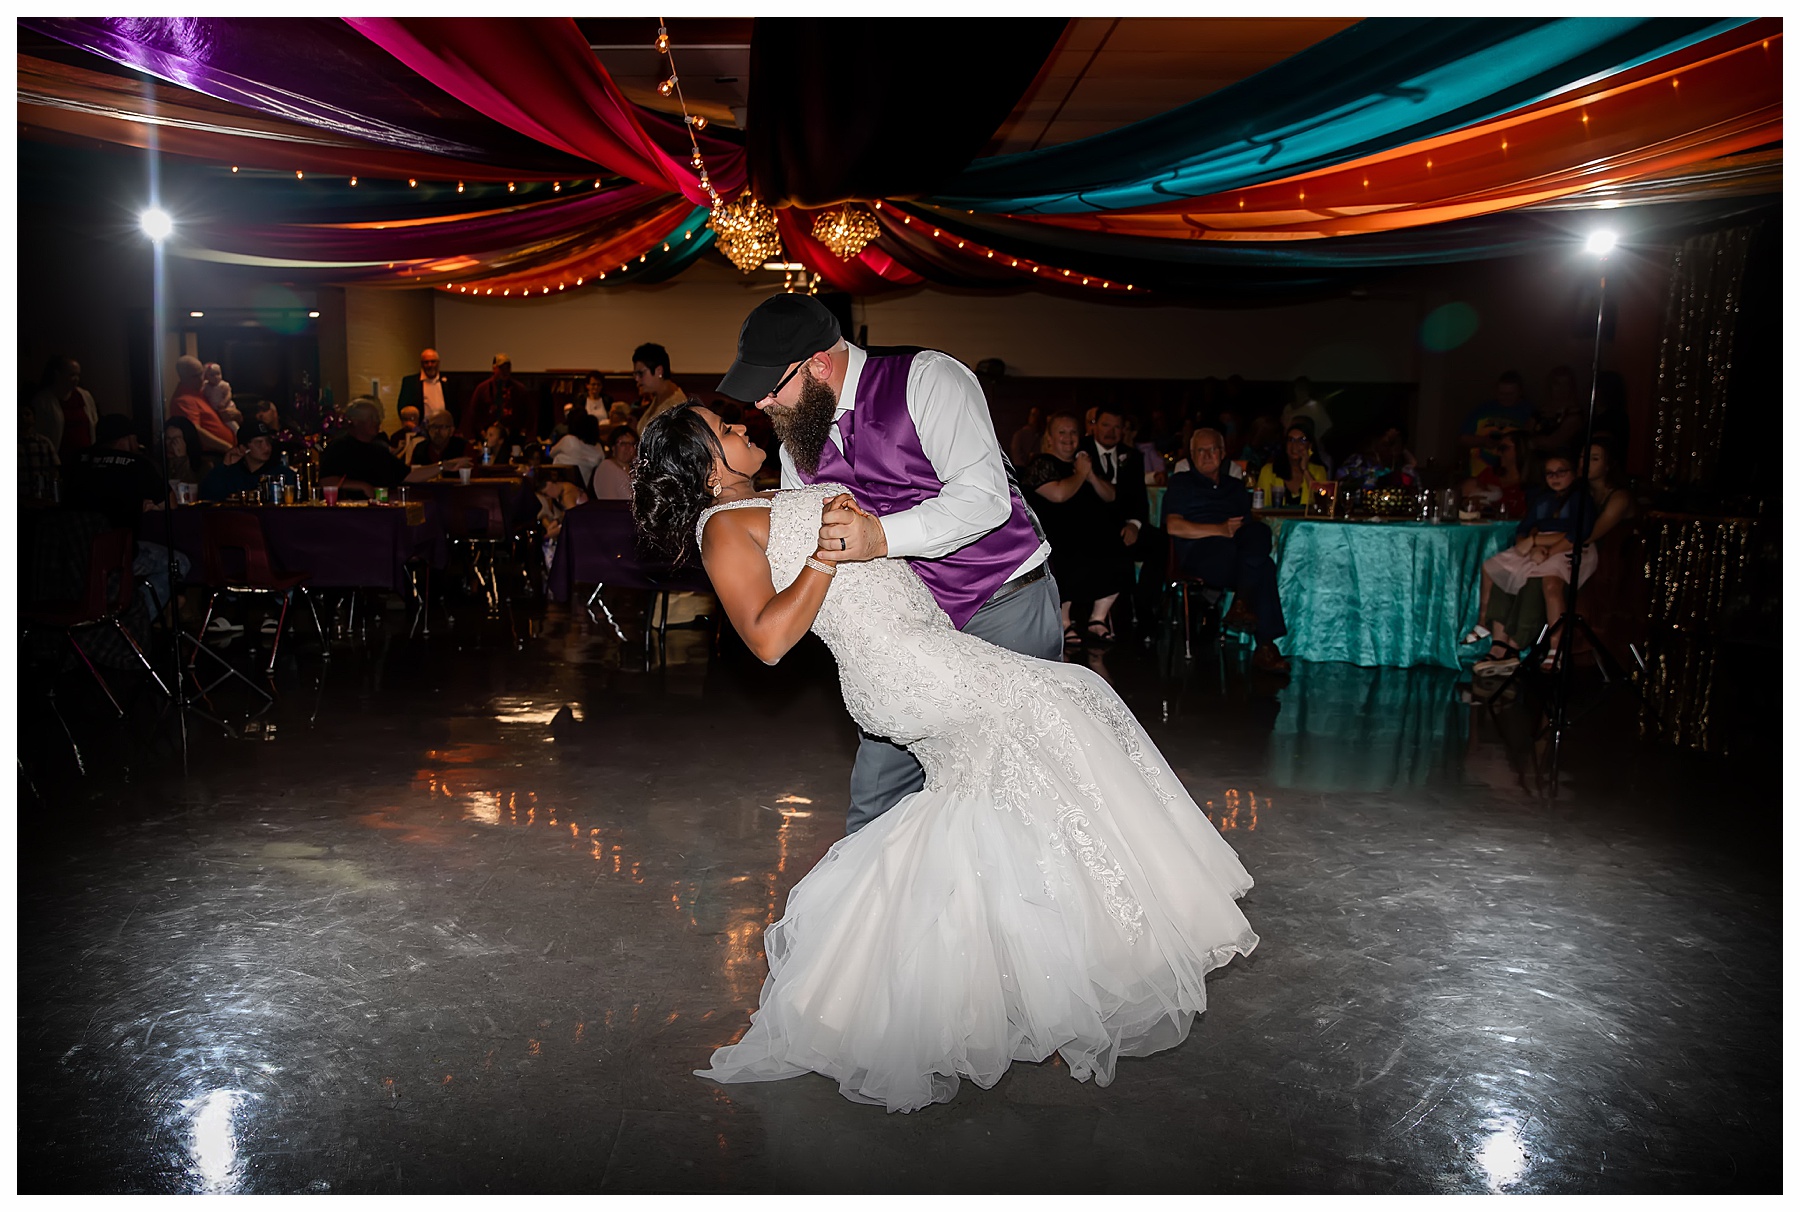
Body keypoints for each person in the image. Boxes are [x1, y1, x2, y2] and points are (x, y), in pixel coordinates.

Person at [633, 402, 1258, 1113]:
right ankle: (1085, 971)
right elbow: (770, 640)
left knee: (992, 802)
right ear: (705, 466)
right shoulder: (722, 530)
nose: (744, 430)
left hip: (929, 648)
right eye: (727, 432)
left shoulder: (771, 494)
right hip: (904, 670)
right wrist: (821, 557)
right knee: (1071, 703)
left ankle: (928, 989)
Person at [721, 293, 1062, 836]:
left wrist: (879, 535)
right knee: (876, 800)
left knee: (1014, 789)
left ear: (819, 365)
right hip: (905, 636)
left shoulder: (928, 379)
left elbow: (984, 499)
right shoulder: (794, 443)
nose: (761, 405)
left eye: (770, 388)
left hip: (1003, 603)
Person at [1470, 441, 1634, 674]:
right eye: (1582, 458)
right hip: (1548, 547)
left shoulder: (1601, 498)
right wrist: (1531, 540)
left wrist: (1539, 543)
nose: (1585, 464)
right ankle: (1498, 642)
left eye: (1595, 459)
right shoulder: (1549, 497)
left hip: (1574, 553)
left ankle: (1523, 645)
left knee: (1542, 582)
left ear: (1609, 464)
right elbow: (1527, 526)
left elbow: (1583, 535)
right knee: (1504, 572)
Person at [1163, 428, 1291, 673]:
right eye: (1201, 450)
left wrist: (1235, 532)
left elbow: (1244, 528)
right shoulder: (1182, 482)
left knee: (1260, 533)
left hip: (1235, 552)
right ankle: (1265, 645)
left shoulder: (1234, 486)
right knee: (1264, 566)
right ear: (1191, 454)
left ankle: (1243, 603)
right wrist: (1219, 529)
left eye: (1213, 449)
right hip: (1200, 551)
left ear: (1222, 454)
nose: (1207, 455)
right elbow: (1173, 525)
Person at [1024, 414, 1133, 648]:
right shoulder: (1041, 464)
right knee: (1072, 556)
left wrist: (1090, 474)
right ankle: (1064, 622)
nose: (1068, 438)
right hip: (1054, 535)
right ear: (1050, 437)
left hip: (1087, 533)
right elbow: (1059, 494)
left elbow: (1110, 495)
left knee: (1119, 555)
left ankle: (1098, 618)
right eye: (1062, 432)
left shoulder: (1084, 463)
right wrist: (1081, 474)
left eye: (1073, 432)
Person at [66, 414, 189, 617]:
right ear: (127, 439)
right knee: (179, 563)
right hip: (117, 555)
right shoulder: (137, 463)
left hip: (71, 556)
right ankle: (136, 621)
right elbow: (171, 504)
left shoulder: (77, 461)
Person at [1082, 404, 1162, 633]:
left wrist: (1134, 524)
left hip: (1124, 526)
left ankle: (1146, 606)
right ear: (1094, 426)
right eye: (1106, 425)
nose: (1111, 431)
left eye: (1117, 427)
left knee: (1157, 541)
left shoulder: (1132, 456)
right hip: (1091, 526)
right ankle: (1102, 613)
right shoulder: (1081, 450)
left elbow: (1139, 499)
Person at [324, 397, 469, 498]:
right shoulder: (339, 446)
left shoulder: (378, 448)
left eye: (378, 418)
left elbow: (408, 475)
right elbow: (327, 481)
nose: (378, 422)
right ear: (355, 421)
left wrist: (443, 466)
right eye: (372, 418)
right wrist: (362, 486)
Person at [1459, 370, 1534, 477]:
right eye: (1502, 393)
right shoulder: (1482, 410)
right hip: (1480, 473)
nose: (1506, 397)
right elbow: (1463, 438)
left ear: (1520, 392)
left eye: (1510, 394)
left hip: (1514, 475)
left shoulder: (1529, 412)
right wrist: (1484, 441)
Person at [29, 354, 99, 460]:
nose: (76, 379)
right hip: (60, 458)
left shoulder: (84, 396)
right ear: (58, 374)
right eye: (72, 375)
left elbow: (93, 422)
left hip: (85, 457)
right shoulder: (43, 401)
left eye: (78, 375)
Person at [199, 419, 286, 501]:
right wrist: (224, 466)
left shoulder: (282, 474)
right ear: (243, 448)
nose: (266, 447)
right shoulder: (232, 475)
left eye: (268, 441)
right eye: (259, 443)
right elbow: (207, 497)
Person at [168, 355, 237, 457]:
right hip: (215, 454)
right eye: (195, 376)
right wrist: (228, 448)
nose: (201, 378)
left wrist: (236, 415)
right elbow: (195, 431)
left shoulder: (202, 391)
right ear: (183, 377)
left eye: (202, 373)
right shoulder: (183, 400)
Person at [461, 353, 537, 441]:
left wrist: (523, 433)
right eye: (501, 368)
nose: (505, 371)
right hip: (487, 436)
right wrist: (482, 433)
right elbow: (473, 414)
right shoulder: (482, 389)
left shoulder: (519, 390)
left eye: (507, 368)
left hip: (513, 437)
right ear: (494, 368)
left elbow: (529, 415)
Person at [1254, 424, 1330, 506]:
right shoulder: (1268, 471)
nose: (1295, 445)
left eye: (1302, 440)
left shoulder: (1319, 471)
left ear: (1310, 445)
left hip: (1308, 519)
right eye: (1291, 440)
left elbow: (1323, 499)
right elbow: (1259, 507)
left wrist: (1305, 470)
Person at [1460, 429, 1530, 518]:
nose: (1498, 452)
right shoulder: (1489, 474)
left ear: (1522, 449)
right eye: (1498, 448)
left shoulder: (1532, 485)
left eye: (1503, 448)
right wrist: (1468, 503)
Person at [1335, 425, 1420, 491]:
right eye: (1387, 443)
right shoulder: (1358, 461)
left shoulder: (1403, 470)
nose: (1391, 449)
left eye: (1394, 443)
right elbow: (1340, 480)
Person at [632, 342, 691, 433]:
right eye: (635, 374)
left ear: (659, 371)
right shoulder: (659, 397)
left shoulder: (675, 405)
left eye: (640, 373)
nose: (636, 379)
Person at [1529, 365, 1584, 454]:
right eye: (1557, 384)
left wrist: (1534, 442)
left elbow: (1553, 442)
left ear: (1571, 387)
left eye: (1566, 384)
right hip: (1533, 460)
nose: (1561, 389)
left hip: (1559, 461)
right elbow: (1525, 433)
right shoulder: (1541, 410)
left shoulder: (1574, 415)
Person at [548, 411, 605, 492]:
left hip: (559, 487)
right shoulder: (599, 448)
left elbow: (551, 453)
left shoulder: (569, 440)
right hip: (585, 489)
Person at [396, 348, 455, 424]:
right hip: (420, 429)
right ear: (421, 364)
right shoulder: (410, 382)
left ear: (438, 363)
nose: (430, 365)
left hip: (444, 429)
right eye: (426, 362)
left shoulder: (449, 382)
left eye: (433, 362)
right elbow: (402, 408)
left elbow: (455, 408)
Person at [20, 401, 61, 506]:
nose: (23, 418)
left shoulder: (44, 442)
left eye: (27, 414)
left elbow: (54, 470)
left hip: (41, 496)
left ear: (34, 418)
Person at [1280, 376, 1333, 451]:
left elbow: (1327, 427)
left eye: (1303, 387)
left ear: (1308, 389)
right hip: (1291, 447)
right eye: (1298, 387)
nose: (1300, 390)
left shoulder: (1315, 406)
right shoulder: (1288, 407)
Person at [163, 416, 213, 490]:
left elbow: (188, 490)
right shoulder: (159, 465)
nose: (171, 445)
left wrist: (181, 460)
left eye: (176, 440)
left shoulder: (204, 467)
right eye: (168, 438)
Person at [590, 425, 636, 500]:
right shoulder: (607, 467)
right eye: (623, 444)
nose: (628, 448)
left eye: (632, 444)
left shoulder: (635, 468)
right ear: (613, 447)